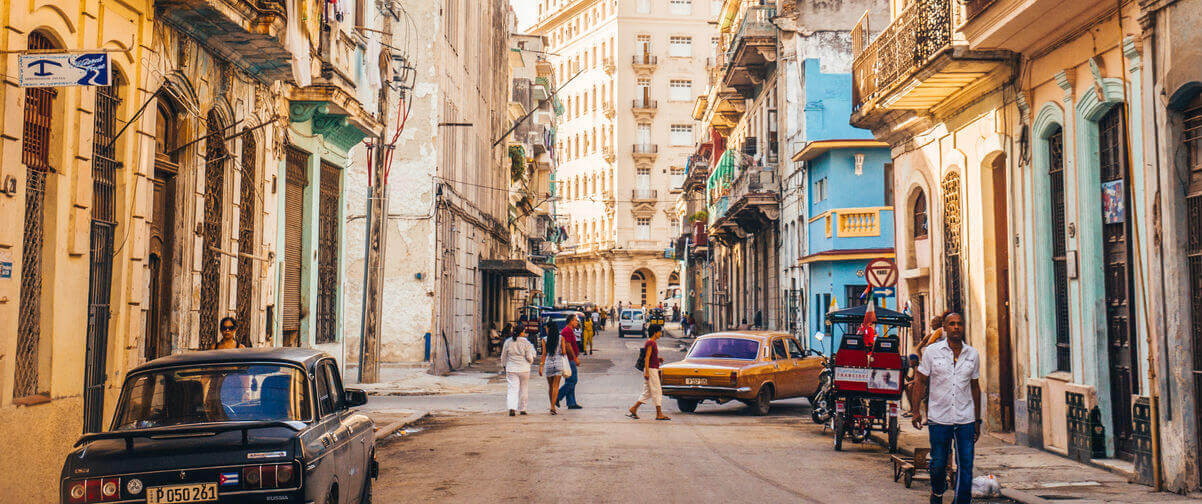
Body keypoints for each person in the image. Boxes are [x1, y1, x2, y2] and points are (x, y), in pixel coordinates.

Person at [910, 312, 981, 504]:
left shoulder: (972, 354)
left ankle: (962, 501)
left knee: (966, 464)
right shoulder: (932, 352)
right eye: (952, 324)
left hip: (965, 419)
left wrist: (977, 420)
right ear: (944, 327)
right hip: (939, 419)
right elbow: (920, 382)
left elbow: (975, 387)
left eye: (959, 324)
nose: (956, 327)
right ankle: (938, 491)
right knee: (939, 463)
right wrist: (916, 411)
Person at [627, 323, 670, 421]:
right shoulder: (651, 343)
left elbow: (650, 357)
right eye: (659, 332)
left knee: (648, 392)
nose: (660, 334)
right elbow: (647, 357)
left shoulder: (650, 342)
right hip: (651, 370)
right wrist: (647, 371)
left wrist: (658, 359)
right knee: (657, 390)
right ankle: (659, 413)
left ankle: (634, 408)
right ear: (655, 332)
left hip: (651, 368)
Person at [500, 325, 536, 416]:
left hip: (511, 368)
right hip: (524, 369)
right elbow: (529, 358)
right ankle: (523, 408)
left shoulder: (508, 342)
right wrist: (531, 361)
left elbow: (503, 356)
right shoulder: (526, 343)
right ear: (522, 332)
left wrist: (504, 365)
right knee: (524, 388)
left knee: (512, 388)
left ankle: (512, 408)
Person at [538, 320, 567, 415]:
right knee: (556, 386)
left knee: (550, 386)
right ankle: (552, 407)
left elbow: (544, 354)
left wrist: (541, 367)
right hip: (558, 363)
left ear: (549, 329)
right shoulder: (561, 338)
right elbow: (564, 352)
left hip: (549, 364)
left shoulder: (544, 339)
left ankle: (552, 406)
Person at [555, 315, 583, 409]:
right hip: (569, 359)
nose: (576, 322)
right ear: (571, 321)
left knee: (569, 381)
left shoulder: (570, 331)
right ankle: (557, 396)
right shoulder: (567, 331)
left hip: (570, 359)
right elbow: (567, 345)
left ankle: (571, 402)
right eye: (575, 321)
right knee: (572, 380)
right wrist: (575, 358)